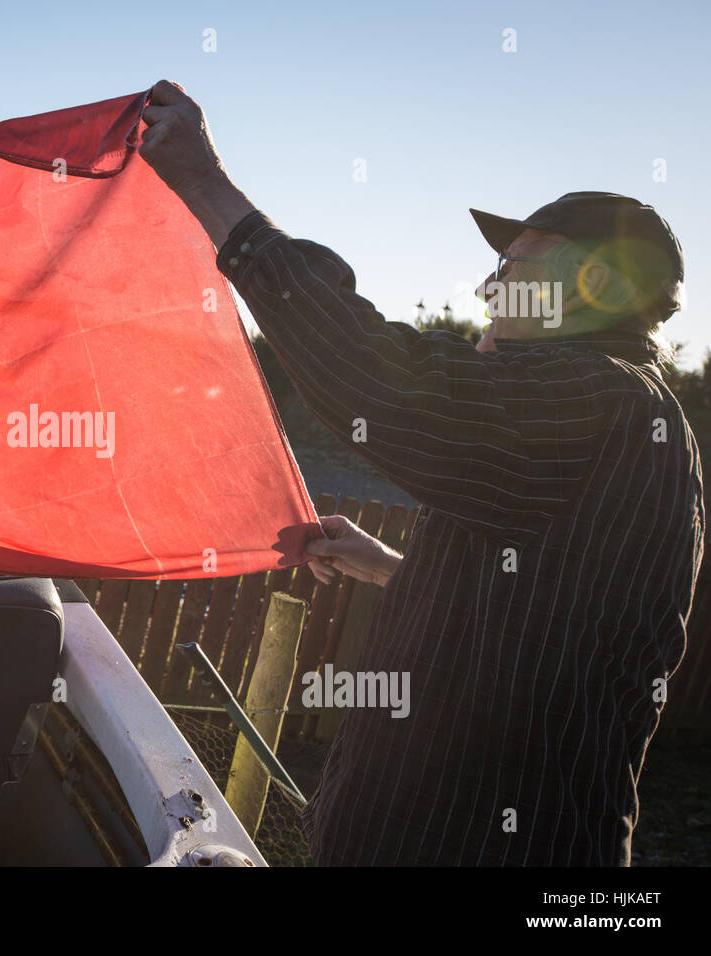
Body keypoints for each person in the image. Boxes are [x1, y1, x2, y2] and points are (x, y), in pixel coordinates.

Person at [137, 80, 703, 865]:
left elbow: (374, 376)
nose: (487, 287)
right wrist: (389, 567)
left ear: (595, 287)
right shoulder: (601, 414)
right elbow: (544, 621)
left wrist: (207, 187)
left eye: (511, 266)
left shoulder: (601, 402)